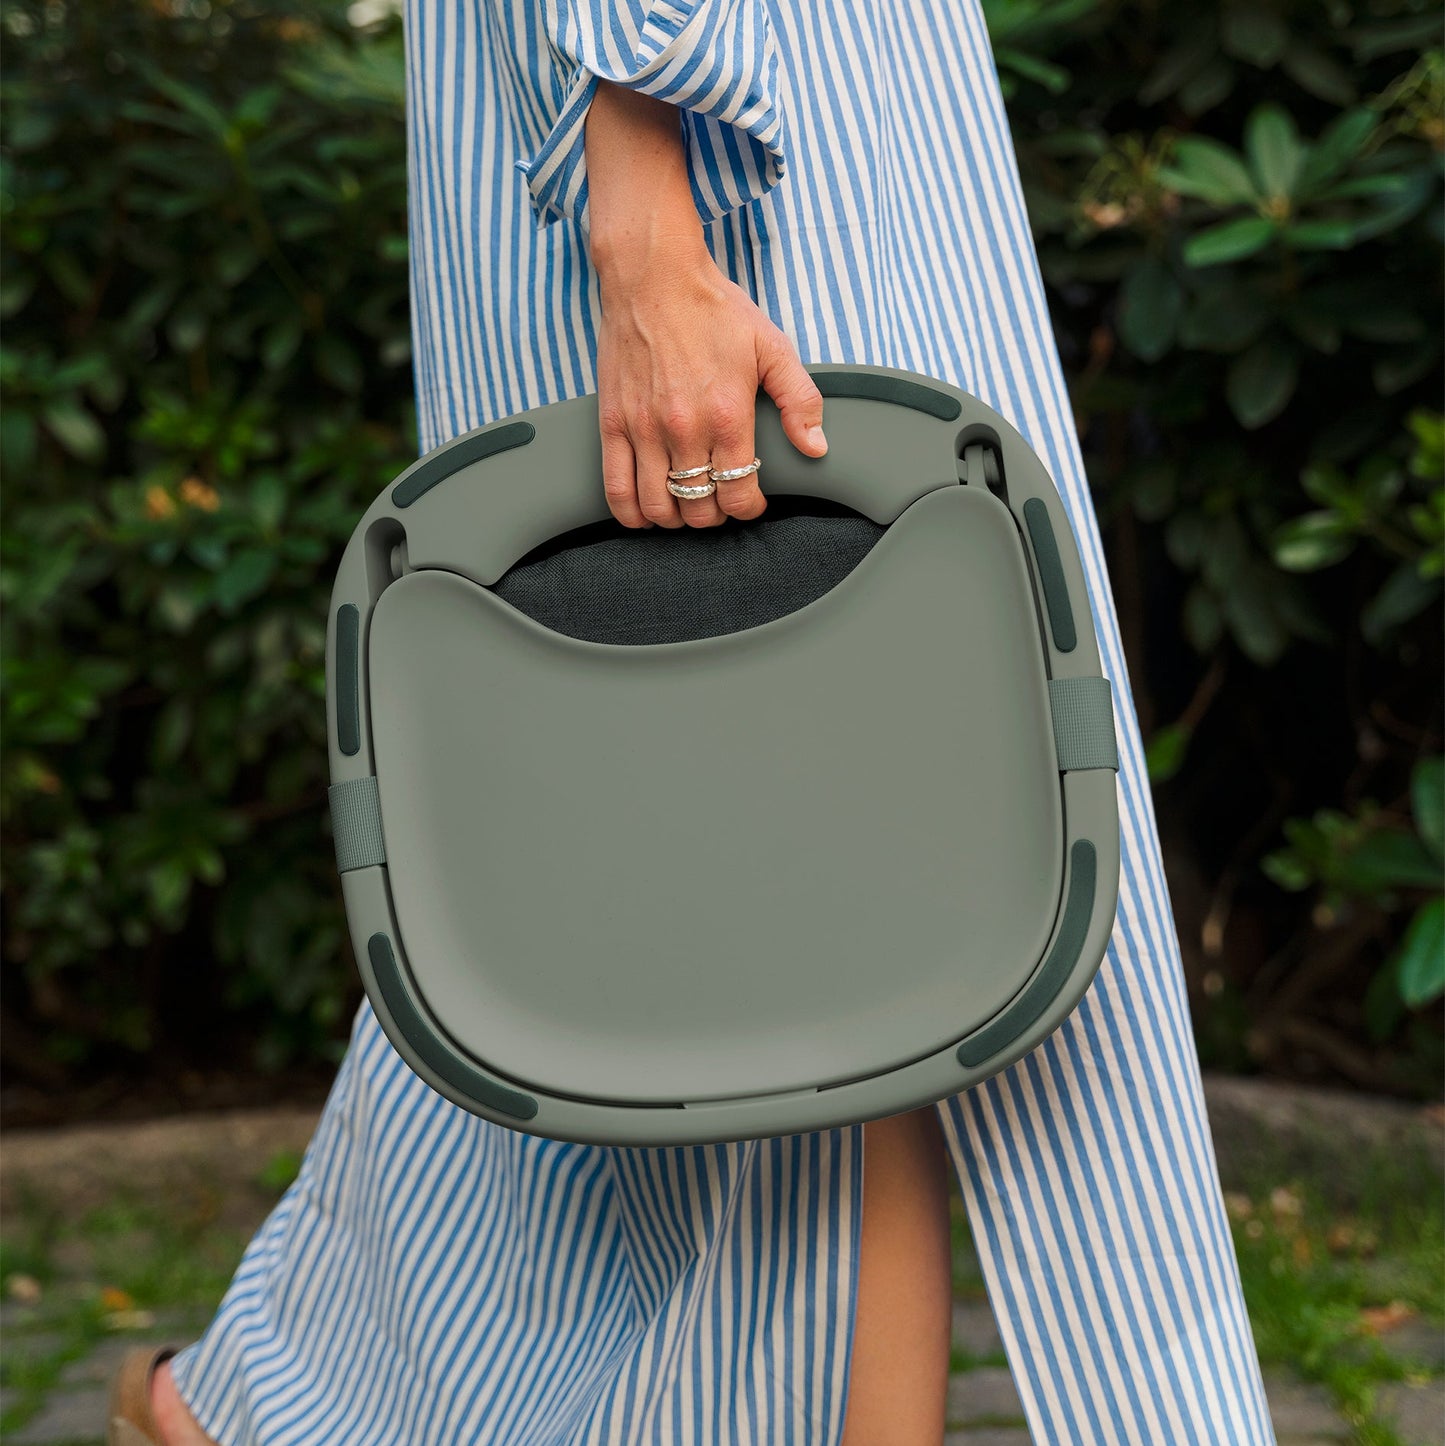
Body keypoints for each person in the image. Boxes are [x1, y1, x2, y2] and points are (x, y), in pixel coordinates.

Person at [109, 1, 1278, 1441]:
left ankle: (272, 1399)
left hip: (779, 117)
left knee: (766, 904)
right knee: (811, 894)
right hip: (717, 147)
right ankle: (270, 1401)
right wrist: (643, 194)